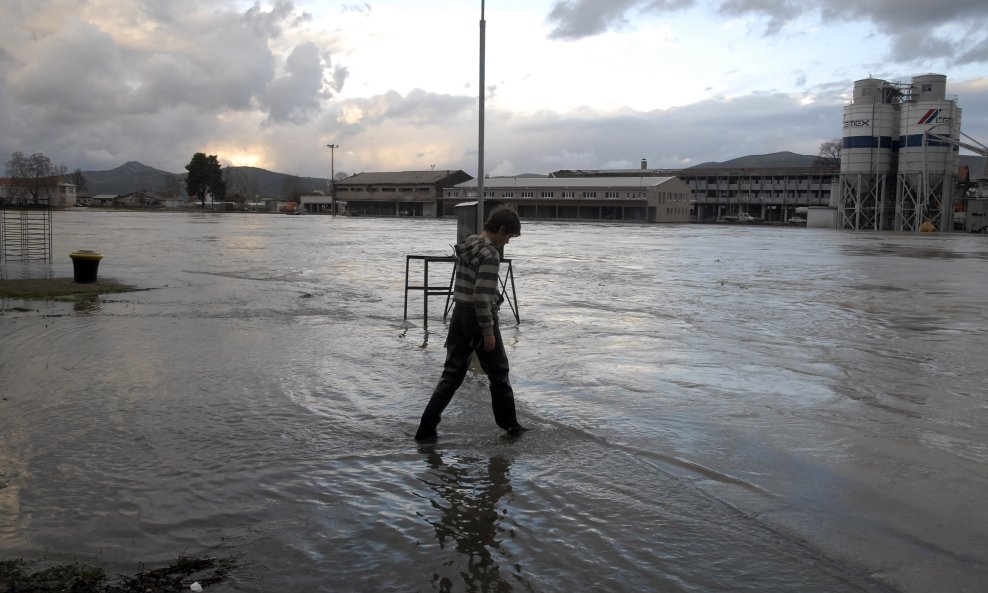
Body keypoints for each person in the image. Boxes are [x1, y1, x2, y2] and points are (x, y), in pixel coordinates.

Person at [415, 208, 526, 442]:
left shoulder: (469, 244)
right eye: (508, 237)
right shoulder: (490, 255)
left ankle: (426, 428)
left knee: (452, 374)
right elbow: (481, 296)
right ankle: (511, 426)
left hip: (459, 315)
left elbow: (474, 288)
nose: (507, 242)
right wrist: (488, 331)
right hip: (479, 317)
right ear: (502, 229)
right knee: (499, 373)